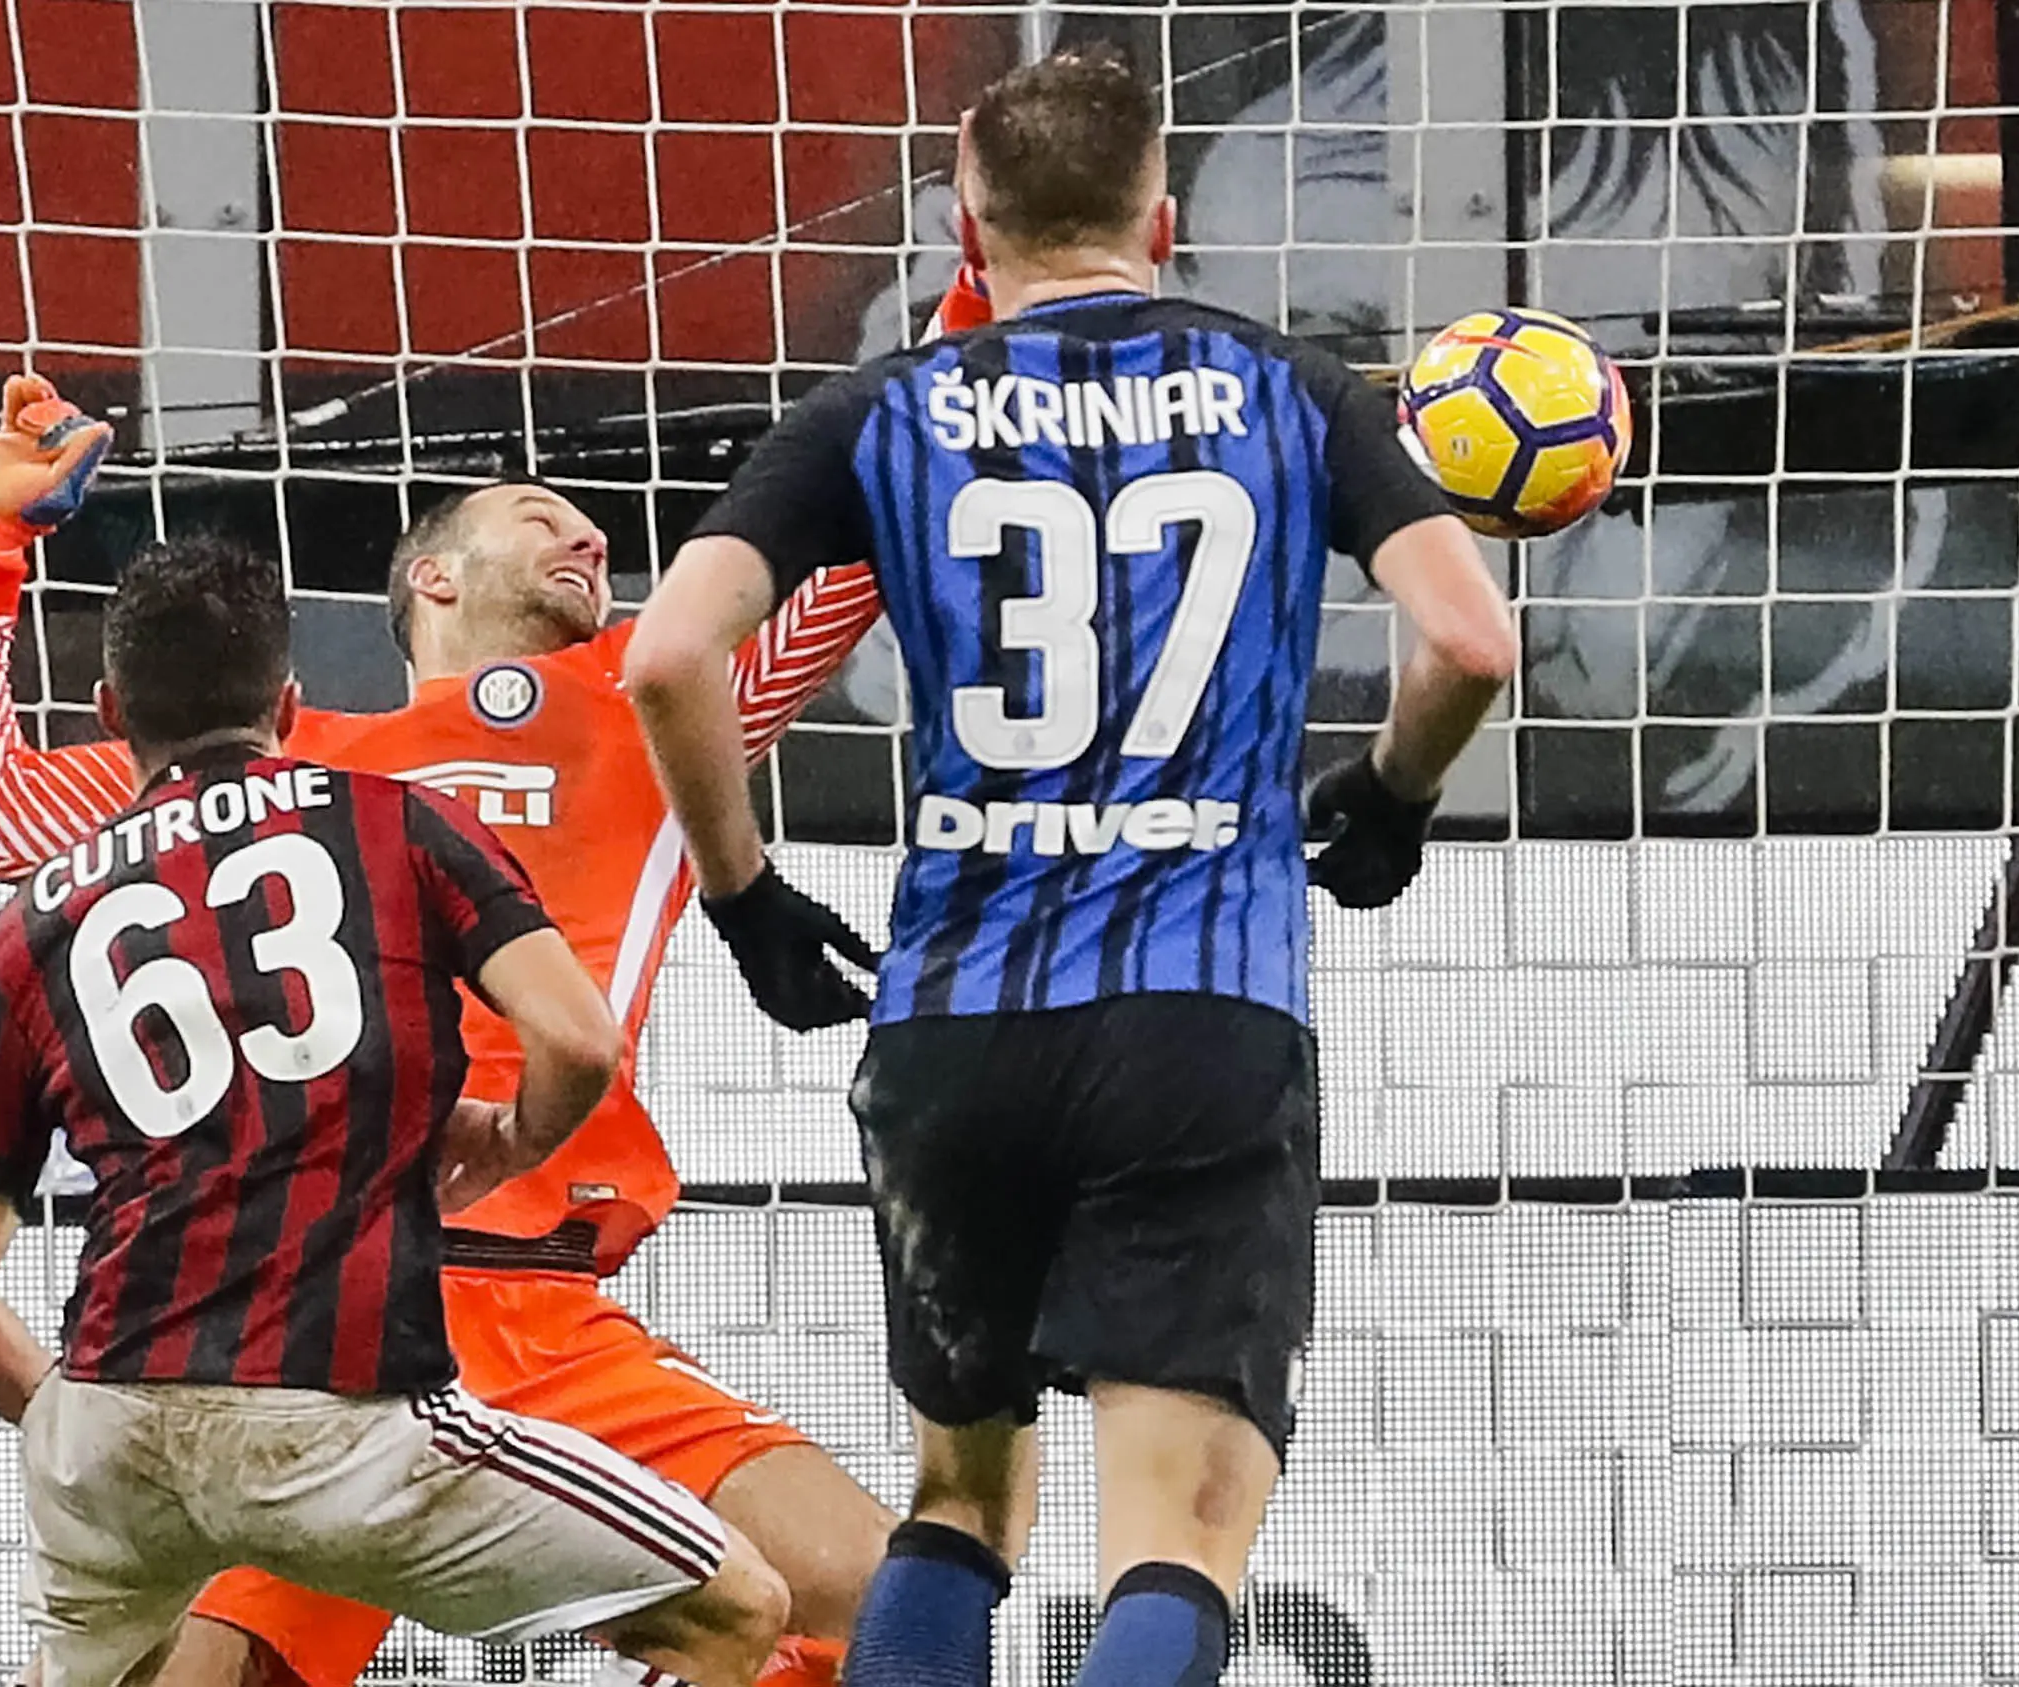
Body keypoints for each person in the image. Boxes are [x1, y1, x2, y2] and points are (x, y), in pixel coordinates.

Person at [0, 287, 961, 1687]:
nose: (586, 530)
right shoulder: (269, 769)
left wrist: (978, 316)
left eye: (589, 523)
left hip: (551, 1311)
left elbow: (852, 554)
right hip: (314, 1317)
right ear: (432, 580)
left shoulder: (654, 702)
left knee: (882, 1608)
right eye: (533, 507)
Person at [622, 48, 1517, 1687]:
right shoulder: (1292, 386)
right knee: (1180, 1526)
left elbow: (672, 657)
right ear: (1163, 215)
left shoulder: (879, 407)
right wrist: (1390, 795)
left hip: (954, 1021)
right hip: (1200, 1009)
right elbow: (1469, 636)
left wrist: (744, 899)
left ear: (969, 223)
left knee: (960, 1500)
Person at [0, 534, 791, 1687]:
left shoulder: (35, 919)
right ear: (289, 698)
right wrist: (510, 1137)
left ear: (113, 710)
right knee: (743, 1607)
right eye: (529, 510)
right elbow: (577, 1037)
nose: (579, 537)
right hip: (350, 1388)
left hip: (112, 1414)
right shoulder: (391, 818)